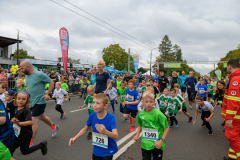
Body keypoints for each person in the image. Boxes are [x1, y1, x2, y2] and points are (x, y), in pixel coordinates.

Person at [20, 60, 59, 147]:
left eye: (22, 68)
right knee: (43, 117)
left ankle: (30, 141)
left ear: (28, 67)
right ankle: (54, 127)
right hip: (32, 101)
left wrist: (48, 94)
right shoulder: (27, 75)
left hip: (40, 101)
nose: (21, 70)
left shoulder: (39, 74)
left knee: (33, 121)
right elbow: (30, 88)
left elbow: (51, 82)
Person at [69, 93, 118, 160]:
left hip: (108, 151)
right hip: (96, 151)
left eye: (98, 103)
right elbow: (85, 129)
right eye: (93, 102)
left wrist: (105, 132)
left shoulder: (110, 118)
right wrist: (75, 138)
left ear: (105, 105)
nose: (94, 105)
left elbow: (115, 136)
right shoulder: (92, 116)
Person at [9, 91, 48, 156]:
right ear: (16, 99)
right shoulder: (16, 108)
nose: (20, 101)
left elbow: (31, 122)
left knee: (25, 152)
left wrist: (19, 123)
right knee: (10, 149)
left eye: (23, 99)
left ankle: (42, 145)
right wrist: (13, 119)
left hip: (25, 135)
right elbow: (15, 117)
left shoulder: (26, 110)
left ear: (27, 101)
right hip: (17, 134)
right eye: (19, 98)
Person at [134, 91, 169, 160]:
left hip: (156, 144)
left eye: (151, 101)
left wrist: (161, 141)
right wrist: (137, 135)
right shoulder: (141, 114)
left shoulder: (159, 114)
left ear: (154, 102)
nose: (148, 104)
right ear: (142, 102)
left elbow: (166, 128)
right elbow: (140, 125)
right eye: (146, 102)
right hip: (145, 144)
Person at [221, 59, 240, 160]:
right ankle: (232, 157)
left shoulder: (236, 79)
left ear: (229, 67)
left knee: (232, 137)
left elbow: (233, 101)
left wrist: (229, 118)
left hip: (235, 117)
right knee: (236, 138)